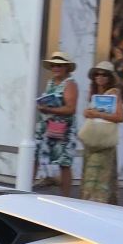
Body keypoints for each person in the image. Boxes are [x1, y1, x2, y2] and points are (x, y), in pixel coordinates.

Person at [80, 60, 123, 204]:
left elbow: (120, 117)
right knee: (93, 174)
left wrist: (99, 115)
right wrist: (88, 113)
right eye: (97, 74)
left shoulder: (114, 93)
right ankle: (95, 202)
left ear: (110, 77)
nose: (100, 77)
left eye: (104, 74)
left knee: (98, 175)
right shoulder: (96, 94)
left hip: (103, 142)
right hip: (94, 141)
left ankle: (96, 203)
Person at [36, 51, 79, 196]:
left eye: (59, 65)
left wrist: (48, 108)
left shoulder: (70, 84)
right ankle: (26, 190)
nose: (56, 68)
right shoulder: (50, 82)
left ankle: (65, 197)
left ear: (66, 67)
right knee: (36, 156)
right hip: (47, 126)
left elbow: (71, 108)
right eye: (53, 65)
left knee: (64, 163)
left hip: (64, 128)